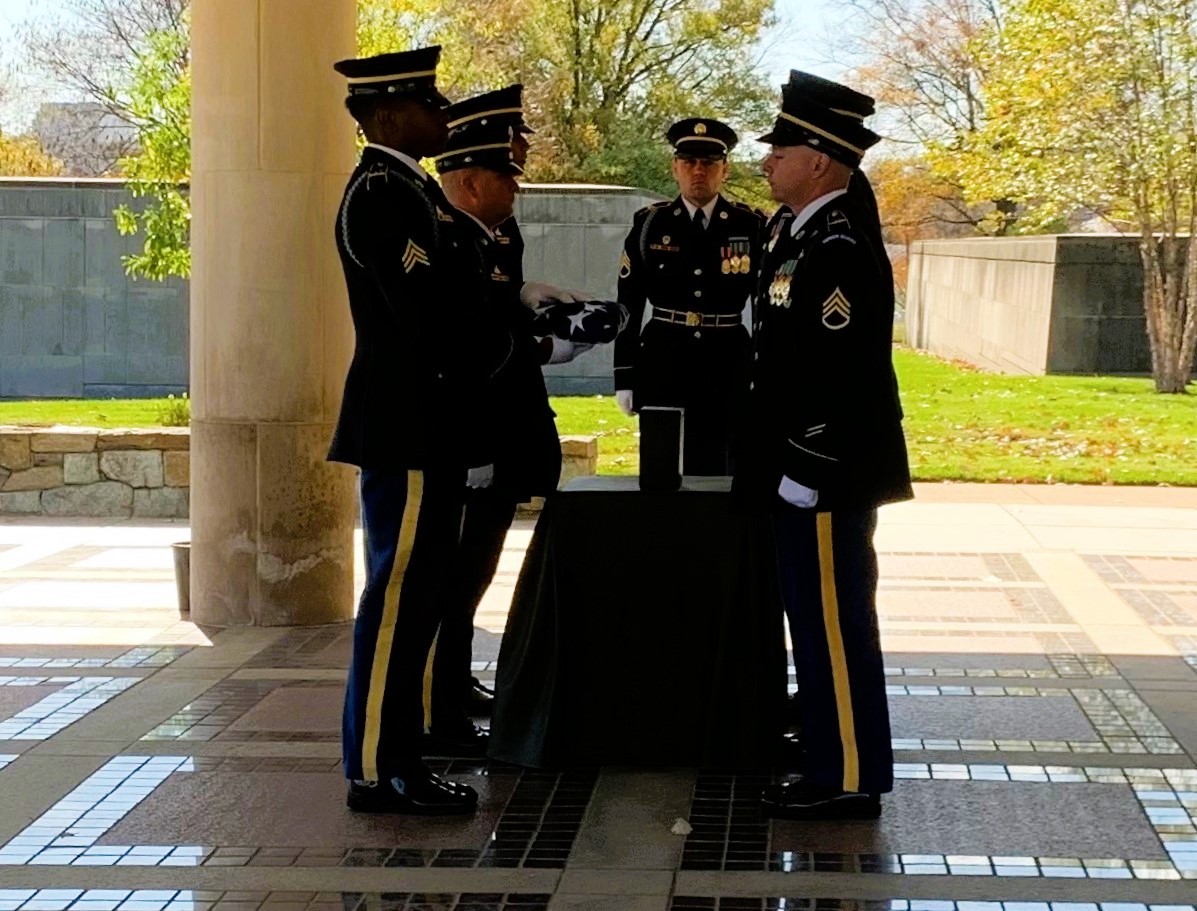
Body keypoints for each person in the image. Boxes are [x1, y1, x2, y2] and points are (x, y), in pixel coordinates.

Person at [329, 46, 511, 816]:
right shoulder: (381, 194)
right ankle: (380, 767)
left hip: (427, 423)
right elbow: (426, 318)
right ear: (388, 116)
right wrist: (516, 342)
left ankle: (399, 755)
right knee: (398, 598)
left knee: (419, 599)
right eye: (427, 104)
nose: (441, 115)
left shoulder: (412, 192)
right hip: (404, 424)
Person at [738, 71, 913, 820]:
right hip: (795, 464)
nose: (767, 162)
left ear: (817, 160)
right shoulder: (797, 233)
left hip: (825, 470)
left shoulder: (837, 245)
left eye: (779, 152)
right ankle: (826, 745)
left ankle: (845, 773)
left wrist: (806, 464)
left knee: (833, 625)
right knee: (811, 621)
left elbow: (840, 370)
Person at [425, 111, 566, 753]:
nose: (517, 180)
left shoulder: (490, 233)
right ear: (472, 180)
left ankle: (453, 688)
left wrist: (537, 310)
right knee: (450, 583)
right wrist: (477, 447)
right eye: (507, 169)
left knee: (474, 575)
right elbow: (458, 353)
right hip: (469, 439)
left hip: (501, 430)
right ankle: (439, 708)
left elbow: (498, 314)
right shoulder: (448, 237)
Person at [613, 118, 765, 476]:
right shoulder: (650, 224)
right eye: (689, 162)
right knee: (662, 470)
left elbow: (764, 309)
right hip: (664, 360)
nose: (698, 171)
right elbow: (628, 304)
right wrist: (625, 375)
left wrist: (763, 372)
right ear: (675, 168)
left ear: (724, 170)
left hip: (727, 362)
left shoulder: (750, 225)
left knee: (725, 472)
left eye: (709, 163)